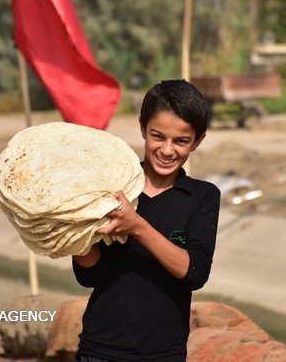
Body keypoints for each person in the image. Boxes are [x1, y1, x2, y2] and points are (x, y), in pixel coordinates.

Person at [72, 79, 221, 362]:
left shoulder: (202, 197)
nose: (167, 150)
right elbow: (89, 276)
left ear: (198, 140)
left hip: (163, 355)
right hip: (98, 350)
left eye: (181, 141)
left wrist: (136, 226)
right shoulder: (112, 189)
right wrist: (74, 229)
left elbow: (194, 274)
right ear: (142, 128)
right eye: (157, 136)